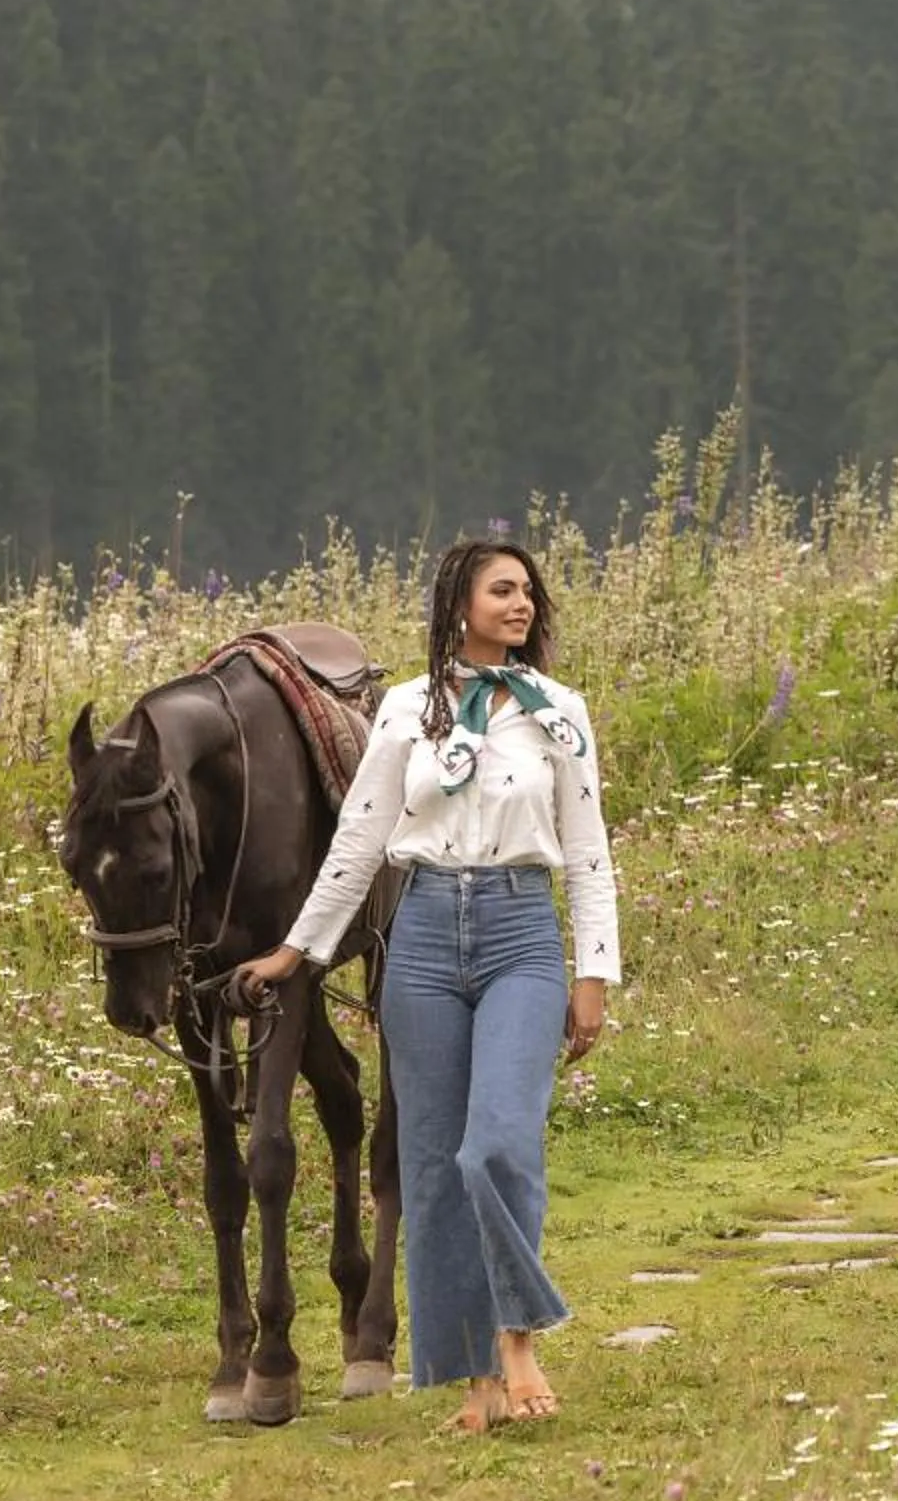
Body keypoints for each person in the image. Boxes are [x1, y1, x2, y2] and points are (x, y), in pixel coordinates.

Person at [230, 537, 620, 1434]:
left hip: (522, 931)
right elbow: (361, 843)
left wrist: (594, 969)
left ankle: (517, 1336)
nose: (520, 604)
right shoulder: (406, 710)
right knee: (435, 1169)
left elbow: (589, 850)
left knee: (496, 1147)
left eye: (528, 592)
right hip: (423, 940)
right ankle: (475, 1383)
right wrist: (297, 952)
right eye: (502, 590)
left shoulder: (560, 712)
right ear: (460, 601)